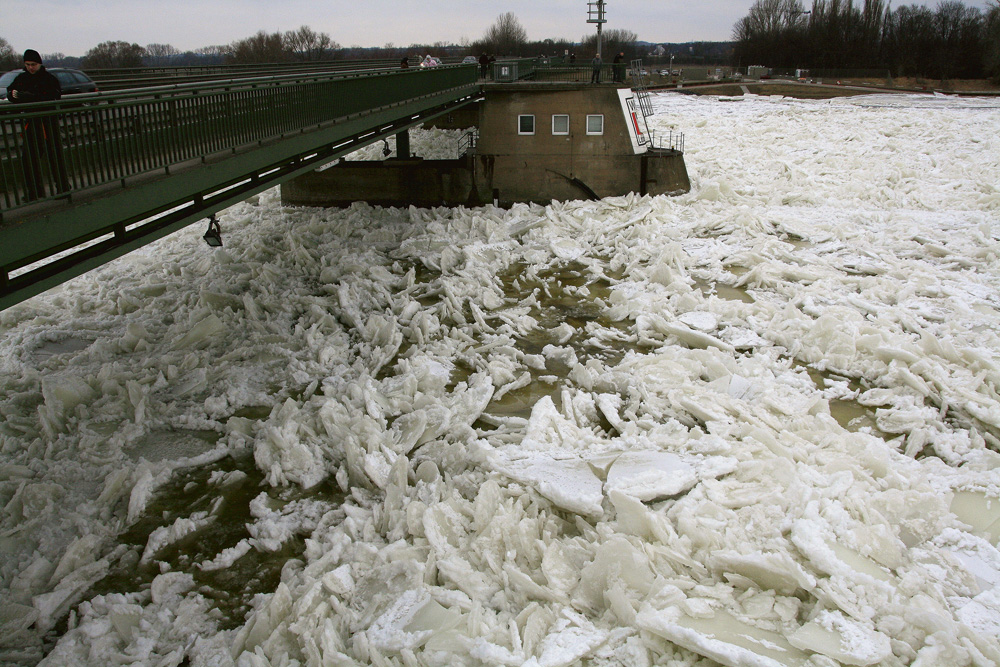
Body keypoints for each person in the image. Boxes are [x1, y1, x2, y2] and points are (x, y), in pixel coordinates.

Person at [8, 49, 69, 201]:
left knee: (54, 156)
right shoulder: (22, 78)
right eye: (28, 64)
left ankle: (62, 188)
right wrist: (13, 96)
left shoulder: (49, 79)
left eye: (33, 64)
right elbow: (11, 92)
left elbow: (54, 95)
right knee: (29, 159)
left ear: (39, 64)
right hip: (33, 124)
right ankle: (35, 192)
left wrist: (29, 97)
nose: (30, 67)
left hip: (48, 123)